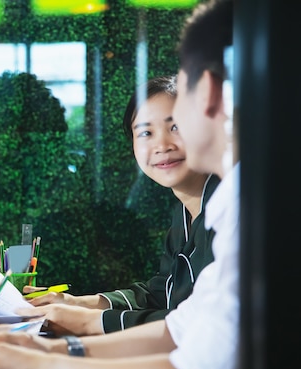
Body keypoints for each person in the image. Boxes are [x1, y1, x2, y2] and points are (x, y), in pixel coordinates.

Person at [0, 0, 238, 369]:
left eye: (177, 113)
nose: (163, 142)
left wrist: (44, 365)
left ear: (211, 94)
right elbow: (184, 326)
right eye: (143, 132)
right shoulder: (211, 207)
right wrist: (62, 341)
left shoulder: (249, 208)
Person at [16, 75, 220, 336]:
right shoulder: (184, 213)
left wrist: (90, 322)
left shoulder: (231, 210)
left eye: (176, 127)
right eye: (146, 132)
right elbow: (161, 293)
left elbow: (202, 323)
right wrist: (76, 303)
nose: (162, 145)